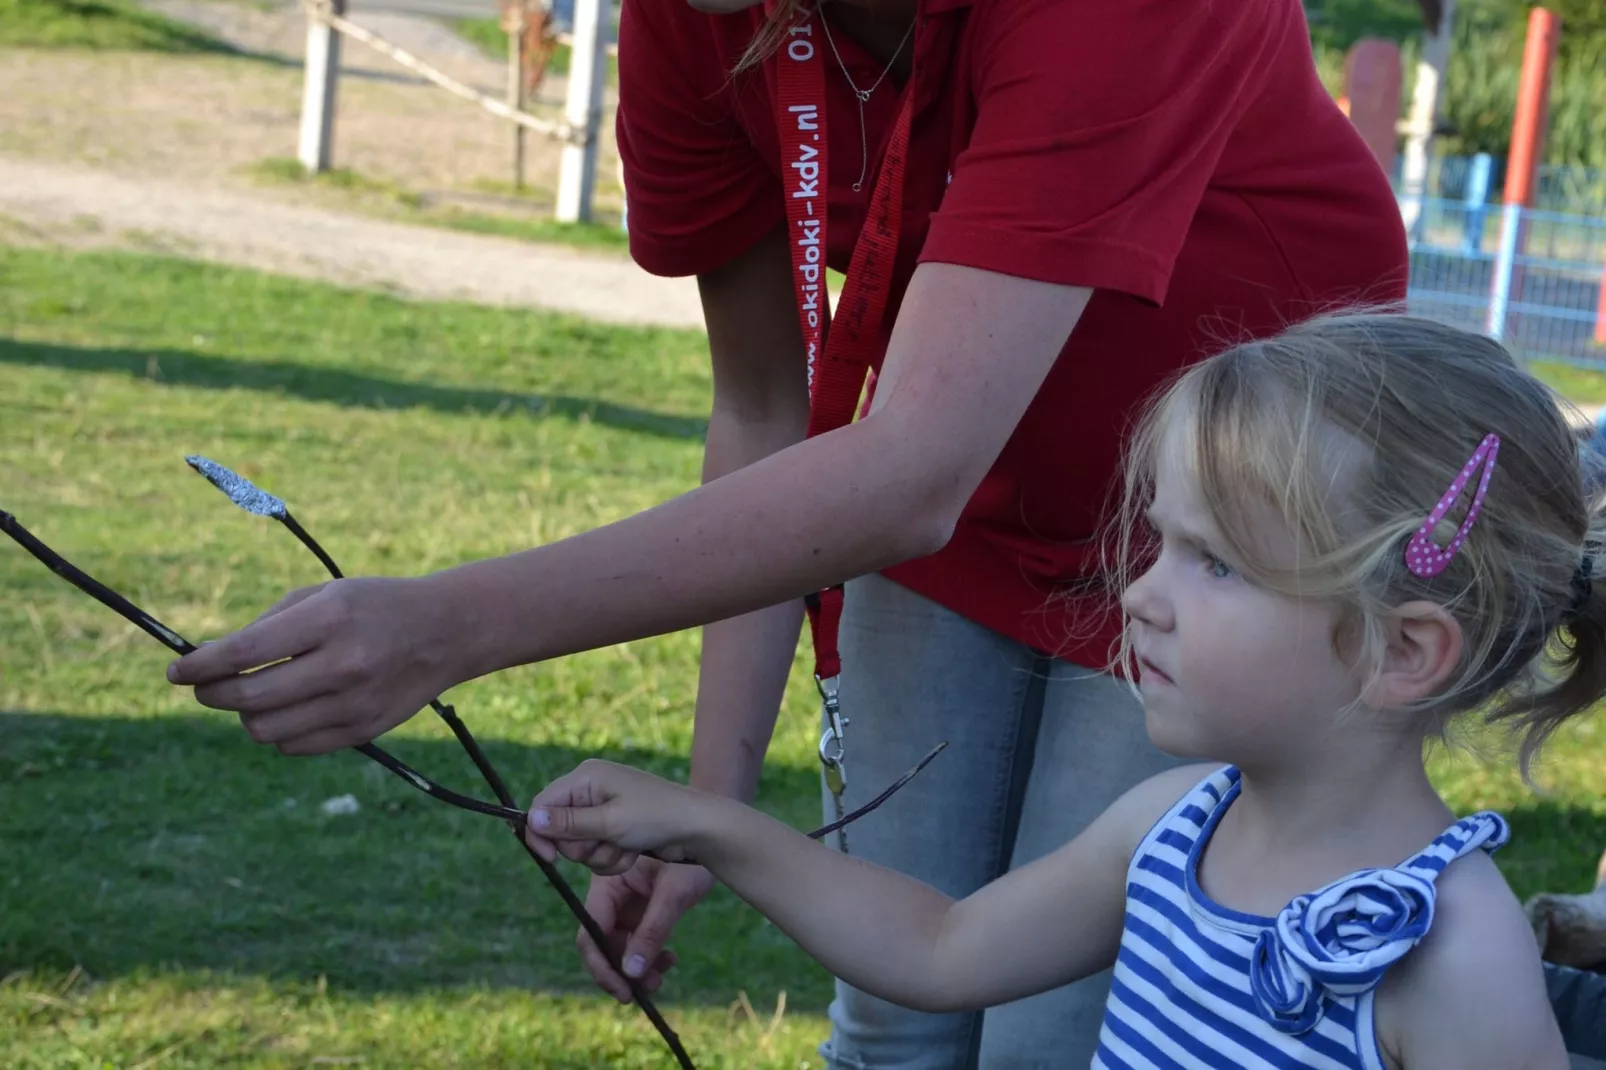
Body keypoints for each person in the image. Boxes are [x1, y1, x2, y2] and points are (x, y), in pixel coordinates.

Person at [164, 0, 1407, 1063]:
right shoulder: (701, 16)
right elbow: (768, 411)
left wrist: (445, 625)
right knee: (892, 1017)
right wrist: (708, 808)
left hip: (1234, 537)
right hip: (962, 501)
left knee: (1062, 1031)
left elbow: (908, 463)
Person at [522, 312, 1590, 1070]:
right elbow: (938, 948)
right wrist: (711, 824)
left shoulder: (1450, 951)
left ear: (1404, 649)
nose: (1141, 593)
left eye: (1213, 563)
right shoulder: (1174, 827)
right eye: (1161, 542)